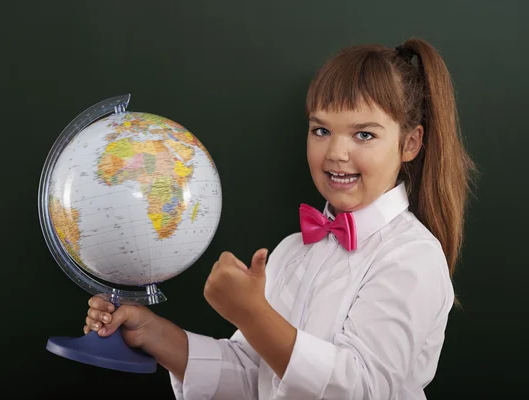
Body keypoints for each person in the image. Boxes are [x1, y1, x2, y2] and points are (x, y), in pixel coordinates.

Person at [83, 37, 475, 399]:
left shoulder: (412, 257)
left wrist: (253, 315)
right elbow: (253, 375)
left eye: (364, 135)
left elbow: (362, 386)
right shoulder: (293, 250)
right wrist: (154, 334)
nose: (336, 152)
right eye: (321, 130)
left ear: (410, 143)